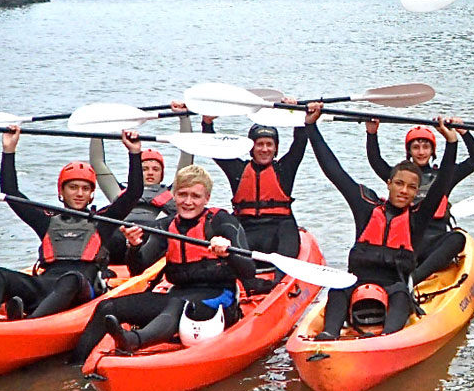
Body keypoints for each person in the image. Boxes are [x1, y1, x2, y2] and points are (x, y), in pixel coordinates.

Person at [70, 163, 275, 361]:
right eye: (182, 194)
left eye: (195, 196)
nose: (188, 202)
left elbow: (249, 270)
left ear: (206, 198)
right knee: (106, 307)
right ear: (174, 195)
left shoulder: (222, 222)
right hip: (178, 295)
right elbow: (138, 269)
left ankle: (134, 340)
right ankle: (76, 366)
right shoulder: (167, 226)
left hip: (217, 299)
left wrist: (227, 253)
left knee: (178, 304)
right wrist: (133, 246)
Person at [0, 127, 147, 322]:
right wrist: (9, 150)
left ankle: (30, 322)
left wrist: (134, 153)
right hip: (44, 286)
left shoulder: (103, 221)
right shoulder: (46, 221)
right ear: (61, 192)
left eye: (85, 189)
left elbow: (133, 193)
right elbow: (11, 192)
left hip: (82, 288)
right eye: (73, 187)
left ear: (91, 195)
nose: (79, 193)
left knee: (71, 279)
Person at [308, 105, 457, 339]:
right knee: (338, 288)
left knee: (401, 296)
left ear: (417, 191)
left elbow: (443, 181)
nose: (404, 191)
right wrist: (311, 126)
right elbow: (334, 171)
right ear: (389, 184)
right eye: (399, 184)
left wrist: (451, 142)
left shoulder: (417, 218)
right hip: (357, 282)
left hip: (393, 286)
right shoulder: (365, 207)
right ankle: (328, 335)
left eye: (411, 187)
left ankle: (386, 338)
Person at [364, 118, 474, 283]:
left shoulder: (445, 175)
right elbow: (375, 161)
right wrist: (372, 133)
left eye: (426, 147)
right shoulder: (399, 178)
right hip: (407, 243)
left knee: (457, 238)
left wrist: (463, 131)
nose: (421, 152)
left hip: (435, 243)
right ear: (409, 151)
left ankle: (414, 278)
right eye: (416, 147)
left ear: (433, 151)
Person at [201, 108, 309, 258]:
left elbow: (299, 143)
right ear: (251, 148)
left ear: (276, 148)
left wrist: (295, 113)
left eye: (269, 144)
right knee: (225, 225)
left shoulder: (284, 169)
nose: (264, 149)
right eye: (260, 144)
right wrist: (207, 123)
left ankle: (282, 271)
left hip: (280, 226)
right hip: (247, 227)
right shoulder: (238, 170)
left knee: (287, 230)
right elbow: (214, 149)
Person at [93, 102, 194, 264]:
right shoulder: (120, 192)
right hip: (121, 236)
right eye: (145, 168)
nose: (150, 172)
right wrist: (97, 127)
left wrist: (184, 117)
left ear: (162, 173)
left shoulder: (173, 191)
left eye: (155, 169)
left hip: (153, 238)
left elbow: (187, 152)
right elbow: (98, 164)